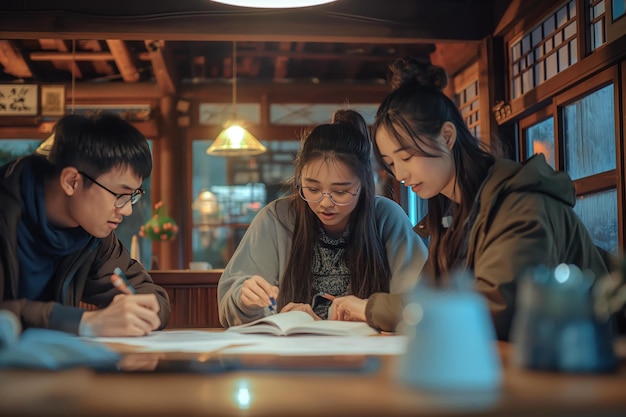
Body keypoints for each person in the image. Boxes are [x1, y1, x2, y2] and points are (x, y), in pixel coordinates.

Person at [330, 58, 613, 340]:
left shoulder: (519, 204)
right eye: (391, 163)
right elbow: (429, 296)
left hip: (584, 361)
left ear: (447, 136)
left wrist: (372, 308)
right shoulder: (450, 214)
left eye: (406, 156)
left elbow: (492, 310)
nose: (400, 173)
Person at [218, 109, 427, 327]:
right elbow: (229, 309)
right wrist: (244, 299)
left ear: (364, 185)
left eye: (340, 191)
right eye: (313, 188)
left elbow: (419, 306)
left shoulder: (386, 218)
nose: (325, 202)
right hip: (292, 354)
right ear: (299, 180)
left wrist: (367, 312)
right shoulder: (276, 219)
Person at [0, 113, 171, 337]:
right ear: (71, 181)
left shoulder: (93, 232)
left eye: (133, 195)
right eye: (120, 194)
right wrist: (84, 322)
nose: (127, 209)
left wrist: (143, 310)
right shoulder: (7, 211)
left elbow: (147, 292)